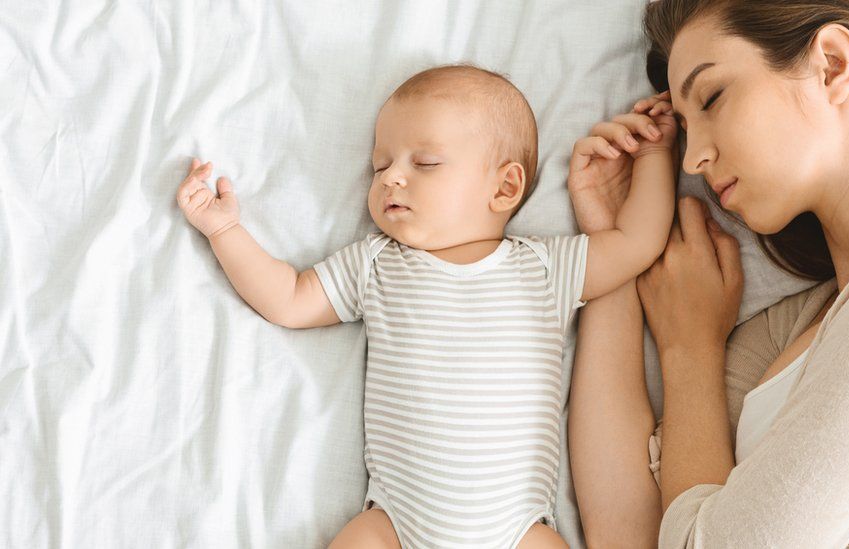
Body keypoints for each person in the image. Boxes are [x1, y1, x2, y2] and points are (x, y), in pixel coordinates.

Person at [174, 63, 680, 548]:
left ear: (504, 187)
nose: (391, 177)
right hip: (396, 523)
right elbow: (287, 299)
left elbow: (637, 240)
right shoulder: (377, 265)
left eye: (425, 163)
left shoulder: (544, 268)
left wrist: (654, 156)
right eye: (380, 166)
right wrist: (224, 230)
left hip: (515, 530)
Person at [568, 0, 849, 547]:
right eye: (684, 128)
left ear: (831, 65)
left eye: (712, 97)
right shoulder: (791, 329)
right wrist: (614, 251)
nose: (690, 160)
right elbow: (630, 531)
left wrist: (690, 356)